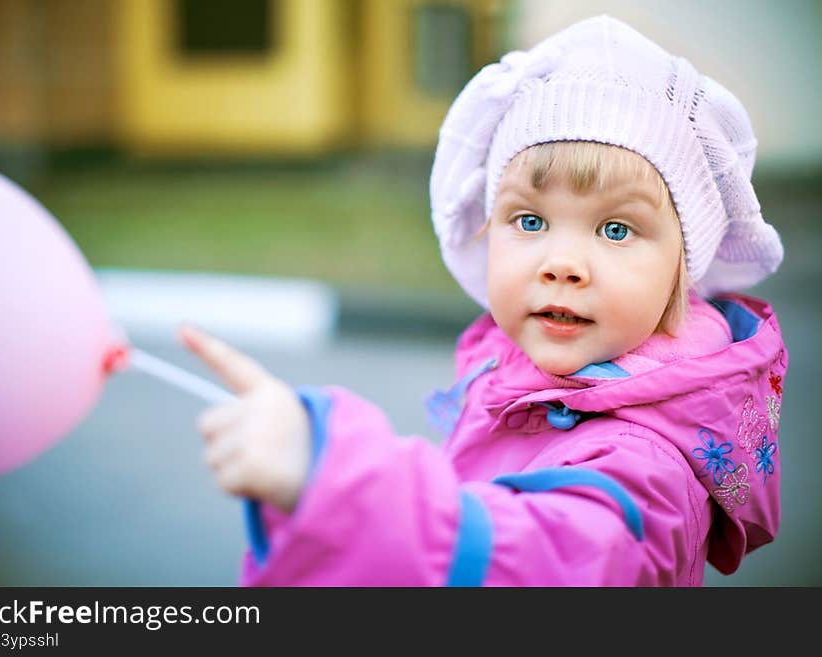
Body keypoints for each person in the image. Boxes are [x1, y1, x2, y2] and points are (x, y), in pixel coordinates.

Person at [180, 15, 787, 586]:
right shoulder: (522, 380)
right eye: (528, 220)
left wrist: (332, 486)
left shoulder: (644, 460)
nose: (562, 264)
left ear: (682, 270)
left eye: (616, 230)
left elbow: (542, 561)